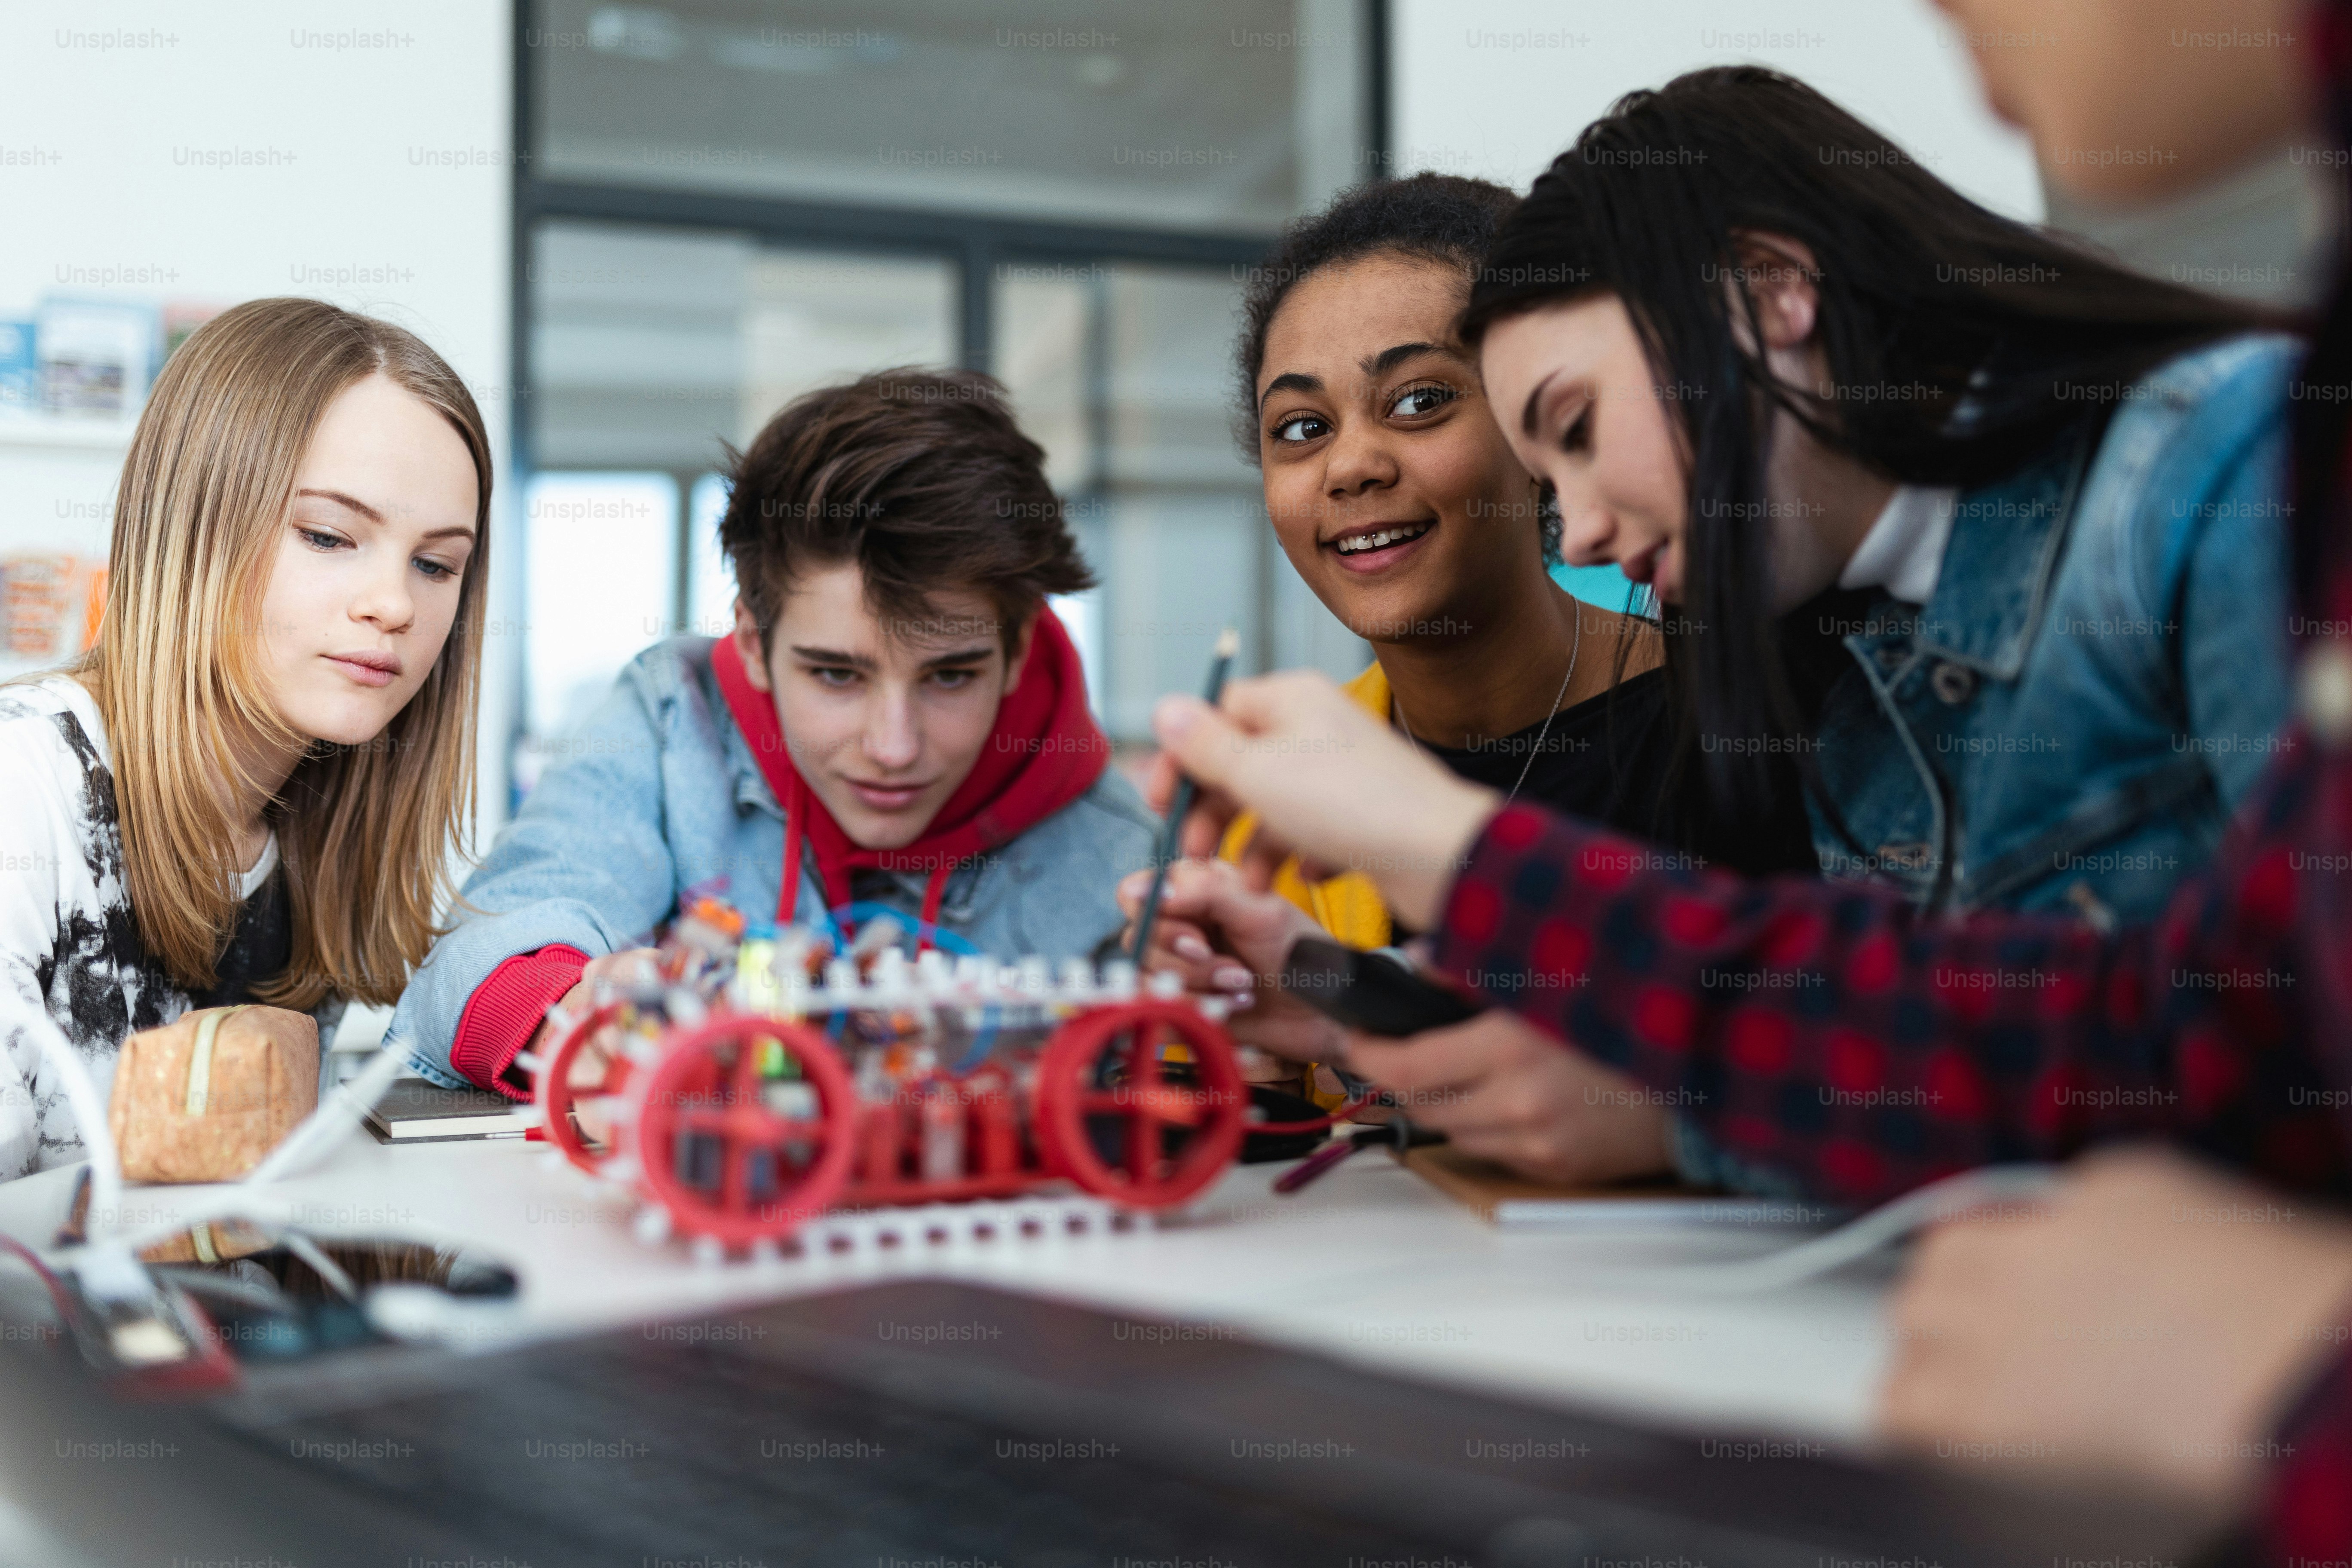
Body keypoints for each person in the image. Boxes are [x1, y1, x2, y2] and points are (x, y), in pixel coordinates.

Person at [1137, 0, 2352, 1531]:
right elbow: (2042, 1036)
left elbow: (2222, 1058)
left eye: (1568, 434)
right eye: (1293, 427)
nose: (1574, 525)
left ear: (1771, 292)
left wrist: (1445, 847)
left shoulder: (2210, 481)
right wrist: (1402, 1003)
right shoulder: (1825, 662)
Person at [389, 368, 1158, 1099]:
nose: (894, 747)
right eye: (837, 675)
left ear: (1019, 649)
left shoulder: (1123, 862)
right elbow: (470, 969)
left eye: (950, 677)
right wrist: (573, 1013)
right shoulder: (670, 718)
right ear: (754, 644)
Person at [0, 297, 492, 1179]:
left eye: (436, 563)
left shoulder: (319, 829)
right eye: (329, 536)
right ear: (193, 530)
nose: (396, 604)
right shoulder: (21, 786)